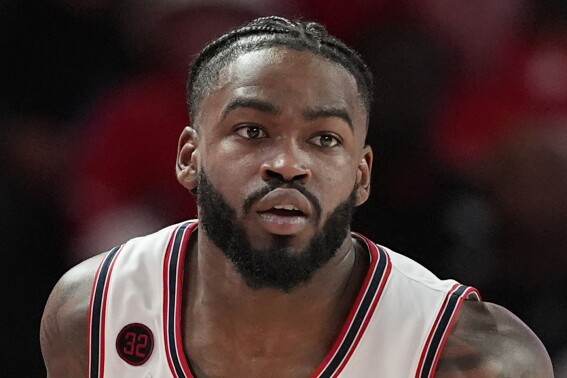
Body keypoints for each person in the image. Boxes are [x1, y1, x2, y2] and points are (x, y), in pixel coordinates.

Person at [40, 16, 553, 377]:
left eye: (324, 139)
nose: (288, 163)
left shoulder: (474, 357)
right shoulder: (92, 312)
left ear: (361, 173)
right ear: (188, 157)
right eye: (252, 131)